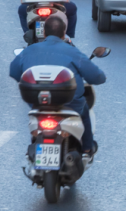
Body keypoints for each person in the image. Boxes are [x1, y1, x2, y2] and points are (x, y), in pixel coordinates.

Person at [9, 16, 107, 155]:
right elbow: (96, 76)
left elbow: (14, 72)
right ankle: (87, 148)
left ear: (44, 33)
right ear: (64, 33)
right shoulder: (72, 52)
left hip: (37, 103)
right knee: (84, 110)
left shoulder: (29, 51)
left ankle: (35, 146)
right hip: (70, 104)